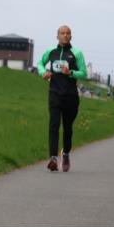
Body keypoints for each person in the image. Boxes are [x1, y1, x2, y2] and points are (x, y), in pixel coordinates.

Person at [37, 25, 87, 172]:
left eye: (67, 33)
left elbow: (84, 73)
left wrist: (71, 72)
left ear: (71, 36)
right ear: (57, 36)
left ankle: (65, 153)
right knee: (53, 125)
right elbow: (40, 63)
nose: (65, 35)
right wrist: (43, 72)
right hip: (54, 94)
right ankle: (53, 157)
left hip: (70, 96)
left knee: (67, 128)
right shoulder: (51, 52)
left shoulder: (76, 53)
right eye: (62, 33)